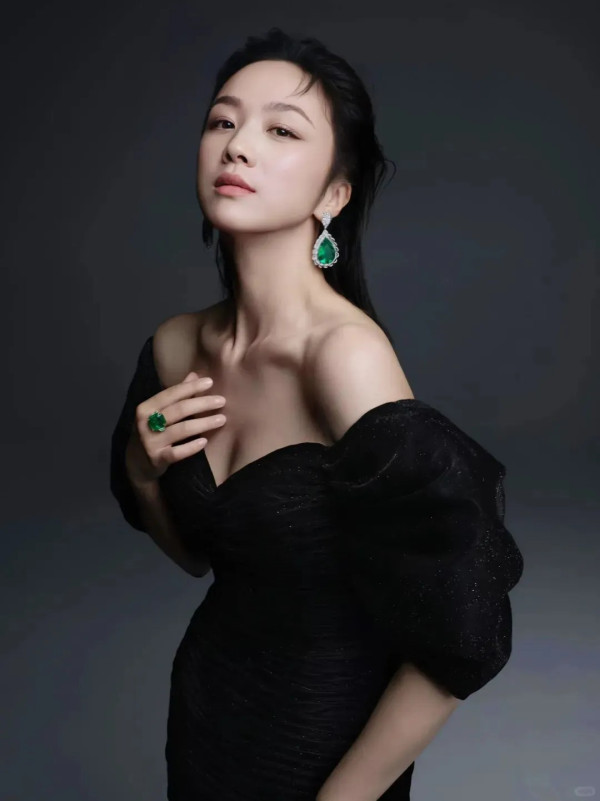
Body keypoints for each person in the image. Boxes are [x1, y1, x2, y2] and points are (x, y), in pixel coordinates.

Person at [109, 28, 524, 801]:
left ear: (335, 195)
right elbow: (196, 557)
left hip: (328, 751)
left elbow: (460, 634)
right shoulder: (174, 347)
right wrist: (141, 473)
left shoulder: (345, 358)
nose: (237, 146)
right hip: (207, 718)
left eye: (281, 130)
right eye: (222, 121)